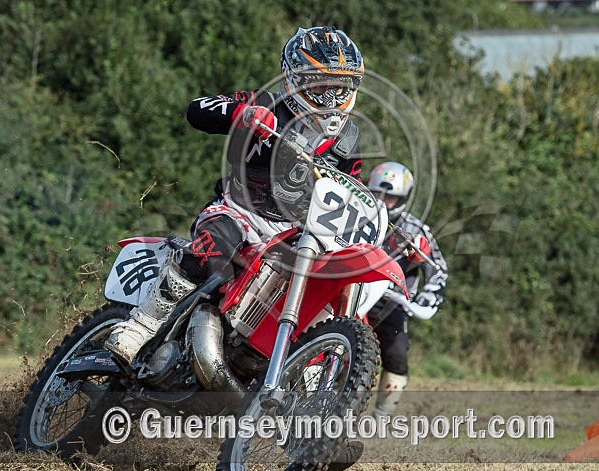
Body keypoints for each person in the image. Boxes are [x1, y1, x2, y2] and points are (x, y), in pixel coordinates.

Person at [104, 26, 365, 361]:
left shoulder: (349, 140)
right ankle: (140, 326)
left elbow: (353, 190)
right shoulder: (268, 102)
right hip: (239, 212)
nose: (332, 96)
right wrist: (242, 114)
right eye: (322, 84)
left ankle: (302, 370)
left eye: (341, 86)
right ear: (295, 78)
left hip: (295, 234)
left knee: (323, 294)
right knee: (212, 252)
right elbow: (198, 108)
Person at [366, 161, 448, 419]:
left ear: (403, 197)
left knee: (397, 352)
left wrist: (429, 295)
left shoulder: (416, 230)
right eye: (378, 194)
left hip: (391, 301)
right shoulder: (358, 217)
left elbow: (439, 269)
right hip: (353, 292)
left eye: (390, 196)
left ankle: (382, 415)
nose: (383, 201)